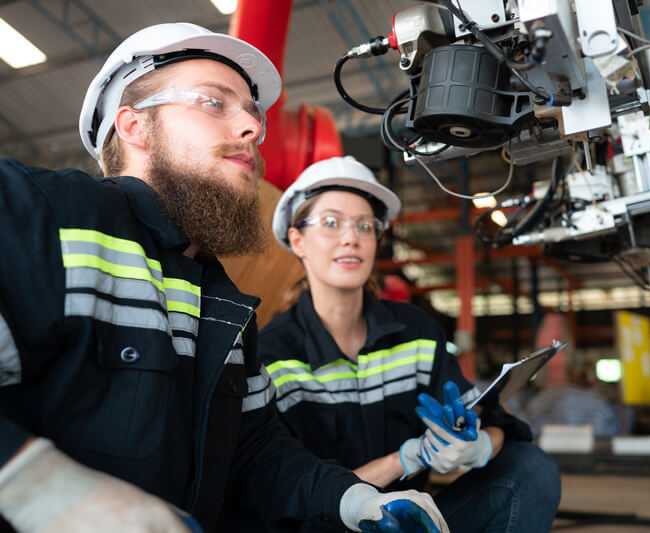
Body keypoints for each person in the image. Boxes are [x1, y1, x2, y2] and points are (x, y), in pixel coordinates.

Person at [0, 23, 450, 533]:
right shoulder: (38, 213)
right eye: (214, 103)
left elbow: (253, 448)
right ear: (133, 126)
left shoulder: (221, 300)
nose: (254, 129)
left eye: (252, 113)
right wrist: (37, 487)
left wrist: (353, 499)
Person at [259, 156, 562, 533]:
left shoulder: (415, 332)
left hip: (414, 524)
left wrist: (478, 443)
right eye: (332, 223)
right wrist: (408, 458)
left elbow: (492, 420)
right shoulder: (271, 355)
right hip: (327, 525)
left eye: (365, 226)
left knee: (530, 468)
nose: (350, 237)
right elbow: (284, 488)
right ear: (297, 239)